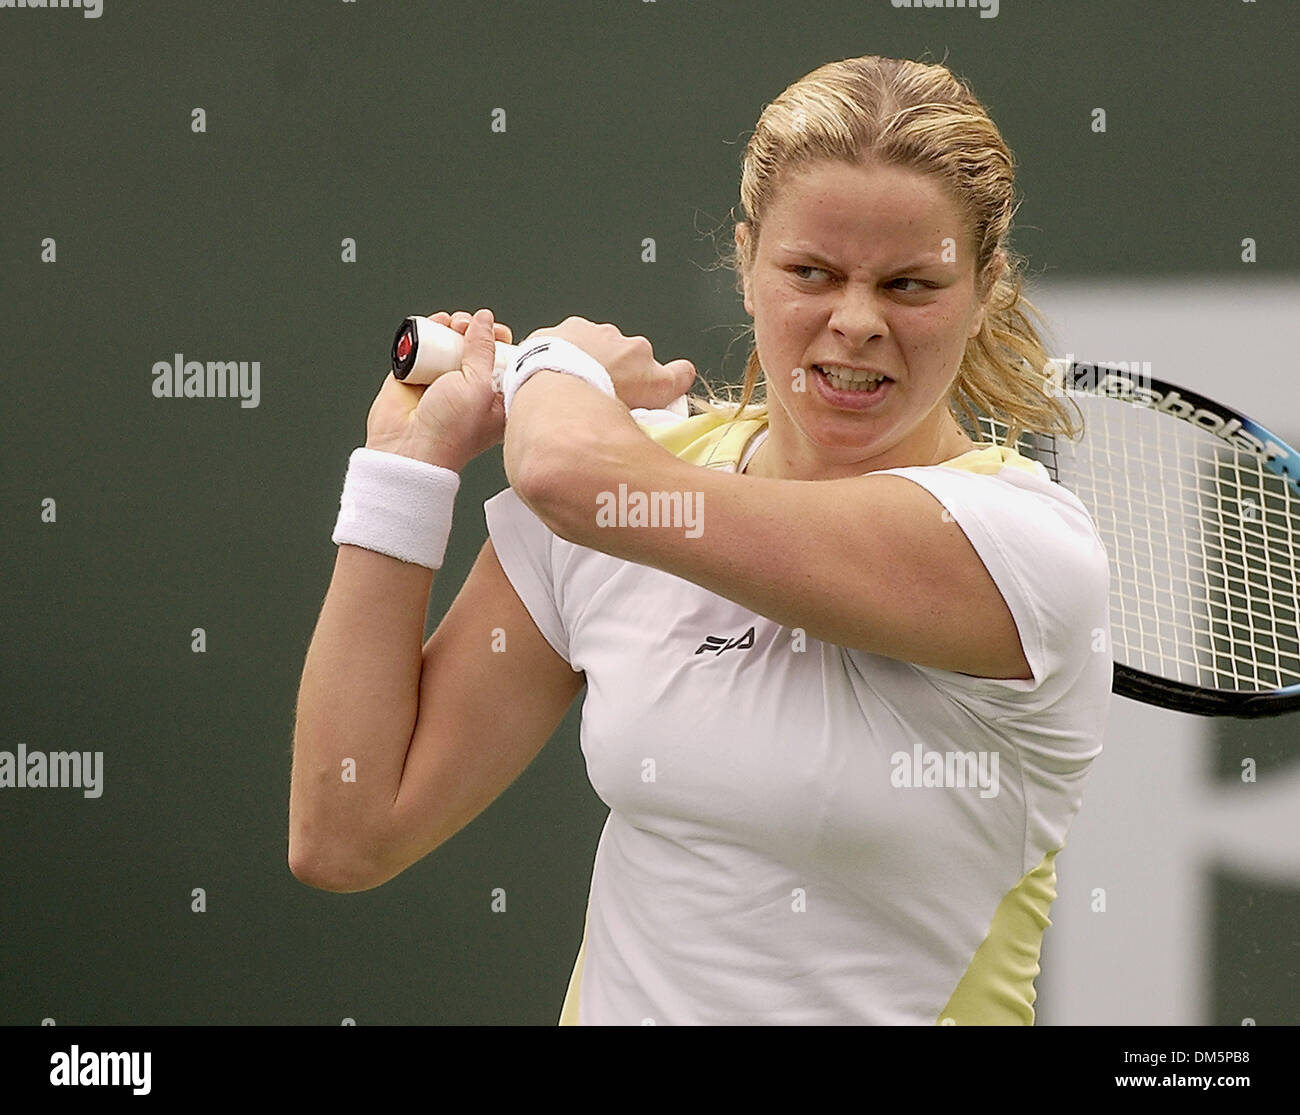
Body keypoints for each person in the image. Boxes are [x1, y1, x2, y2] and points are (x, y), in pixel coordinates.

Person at [289, 55, 1112, 1025]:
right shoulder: (625, 486)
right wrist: (406, 466)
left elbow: (566, 473)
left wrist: (557, 360)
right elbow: (345, 834)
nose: (854, 321)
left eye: (908, 284)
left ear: (984, 290)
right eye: (811, 272)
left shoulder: (1017, 545)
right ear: (745, 262)